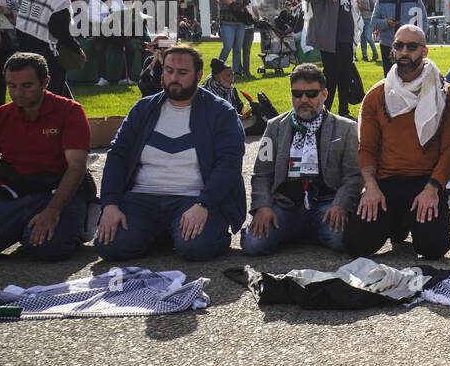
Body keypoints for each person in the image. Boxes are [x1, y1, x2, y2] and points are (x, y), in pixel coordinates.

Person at [94, 44, 244, 262]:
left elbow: (229, 164)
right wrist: (110, 205)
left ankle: (175, 232)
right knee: (108, 246)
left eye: (182, 73)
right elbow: (118, 155)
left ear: (198, 75)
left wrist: (205, 204)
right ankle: (164, 232)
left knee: (197, 246)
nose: (174, 78)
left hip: (193, 199)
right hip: (142, 198)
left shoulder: (221, 112)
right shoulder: (142, 109)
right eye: (169, 71)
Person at [0, 52, 93, 264]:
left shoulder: (70, 111)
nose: (17, 93)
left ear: (45, 82)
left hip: (56, 190)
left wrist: (52, 210)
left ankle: (68, 224)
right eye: (11, 86)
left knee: (50, 249)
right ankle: (22, 228)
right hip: (12, 192)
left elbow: (77, 167)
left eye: (26, 85)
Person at [344, 23, 450, 260]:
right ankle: (397, 224)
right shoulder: (377, 94)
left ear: (424, 51)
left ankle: (406, 222)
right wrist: (370, 186)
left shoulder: (447, 95)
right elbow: (366, 148)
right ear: (393, 50)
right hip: (385, 182)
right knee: (355, 246)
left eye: (411, 46)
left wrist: (432, 189)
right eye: (399, 46)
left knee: (433, 249)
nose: (404, 52)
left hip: (425, 183)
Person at [242, 64, 361, 255]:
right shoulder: (274, 127)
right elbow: (261, 174)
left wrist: (341, 204)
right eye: (297, 94)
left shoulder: (346, 128)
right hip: (285, 205)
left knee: (344, 240)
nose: (303, 99)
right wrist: (262, 207)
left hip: (326, 204)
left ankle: (302, 231)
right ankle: (299, 230)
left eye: (311, 94)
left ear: (324, 94)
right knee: (254, 244)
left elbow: (353, 175)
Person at [11, 0, 85, 101]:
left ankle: (74, 118)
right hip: (48, 57)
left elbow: (20, 23)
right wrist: (77, 50)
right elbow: (59, 30)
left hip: (27, 52)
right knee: (51, 101)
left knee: (59, 99)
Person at [303, 0, 365, 117]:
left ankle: (344, 112)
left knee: (345, 78)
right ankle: (325, 112)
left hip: (345, 42)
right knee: (331, 79)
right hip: (332, 43)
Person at [370, 0, 428, 78]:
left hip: (411, 47)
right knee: (389, 77)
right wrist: (386, 23)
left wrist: (417, 42)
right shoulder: (381, 1)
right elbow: (373, 23)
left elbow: (424, 22)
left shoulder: (415, 0)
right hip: (388, 45)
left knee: (411, 76)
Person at [202, 58, 259, 135]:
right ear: (217, 77)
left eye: (232, 74)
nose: (232, 78)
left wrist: (246, 111)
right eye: (228, 75)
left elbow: (238, 107)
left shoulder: (231, 90)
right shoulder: (205, 93)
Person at [216, 0, 247, 74]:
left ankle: (236, 71)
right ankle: (218, 68)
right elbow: (229, 2)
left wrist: (235, 1)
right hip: (227, 24)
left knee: (237, 48)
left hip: (240, 24)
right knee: (228, 46)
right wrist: (235, 1)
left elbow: (244, 3)